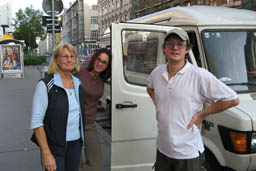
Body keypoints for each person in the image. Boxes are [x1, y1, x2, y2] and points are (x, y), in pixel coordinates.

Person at [146, 28, 240, 171]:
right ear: (164, 48)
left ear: (187, 49)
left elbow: (232, 99)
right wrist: (157, 103)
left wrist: (201, 114)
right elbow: (150, 88)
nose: (175, 48)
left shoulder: (199, 75)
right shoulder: (157, 73)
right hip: (163, 149)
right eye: (170, 44)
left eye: (180, 44)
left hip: (187, 153)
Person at [30, 43, 85, 171]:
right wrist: (47, 154)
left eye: (72, 56)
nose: (69, 59)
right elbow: (37, 123)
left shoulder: (78, 83)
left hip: (75, 144)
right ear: (56, 60)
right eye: (65, 56)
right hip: (55, 147)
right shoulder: (46, 85)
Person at [76, 48, 111, 171]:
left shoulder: (102, 80)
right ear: (94, 59)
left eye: (104, 62)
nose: (100, 64)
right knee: (74, 161)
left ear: (107, 66)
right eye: (99, 59)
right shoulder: (80, 71)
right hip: (73, 124)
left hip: (90, 124)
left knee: (96, 163)